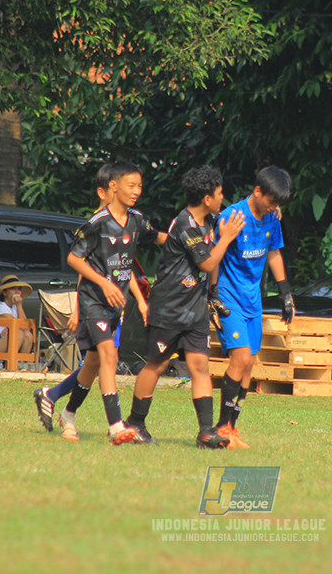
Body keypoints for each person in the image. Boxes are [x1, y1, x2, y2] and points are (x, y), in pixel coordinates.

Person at [33, 163, 164, 441]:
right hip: (93, 301)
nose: (137, 191)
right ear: (113, 187)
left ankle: (61, 406)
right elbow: (74, 259)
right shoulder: (97, 223)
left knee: (92, 364)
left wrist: (191, 241)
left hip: (116, 306)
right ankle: (116, 426)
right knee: (109, 356)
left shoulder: (137, 220)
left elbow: (128, 263)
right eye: (132, 185)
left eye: (140, 186)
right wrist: (97, 291)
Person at [124, 166, 245, 447]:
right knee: (158, 363)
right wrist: (225, 238)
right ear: (206, 199)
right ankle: (135, 423)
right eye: (219, 193)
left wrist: (274, 212)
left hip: (195, 309)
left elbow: (243, 216)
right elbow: (207, 263)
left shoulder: (210, 219)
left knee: (200, 365)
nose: (222, 197)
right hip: (168, 308)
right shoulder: (186, 224)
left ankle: (205, 432)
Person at [211, 166, 295, 449]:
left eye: (278, 204)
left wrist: (285, 294)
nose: (275, 208)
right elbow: (214, 256)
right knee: (241, 359)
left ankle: (232, 429)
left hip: (253, 301)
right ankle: (221, 427)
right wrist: (212, 294)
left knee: (249, 367)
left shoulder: (272, 218)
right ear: (257, 192)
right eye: (272, 201)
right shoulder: (232, 217)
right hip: (228, 297)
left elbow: (274, 253)